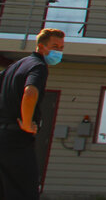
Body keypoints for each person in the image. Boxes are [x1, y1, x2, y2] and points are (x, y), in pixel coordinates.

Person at [0, 28, 65, 200]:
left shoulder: (15, 66)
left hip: (2, 135)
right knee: (25, 191)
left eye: (61, 47)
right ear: (41, 47)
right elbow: (30, 93)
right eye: (54, 46)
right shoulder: (38, 66)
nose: (58, 51)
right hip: (16, 138)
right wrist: (28, 123)